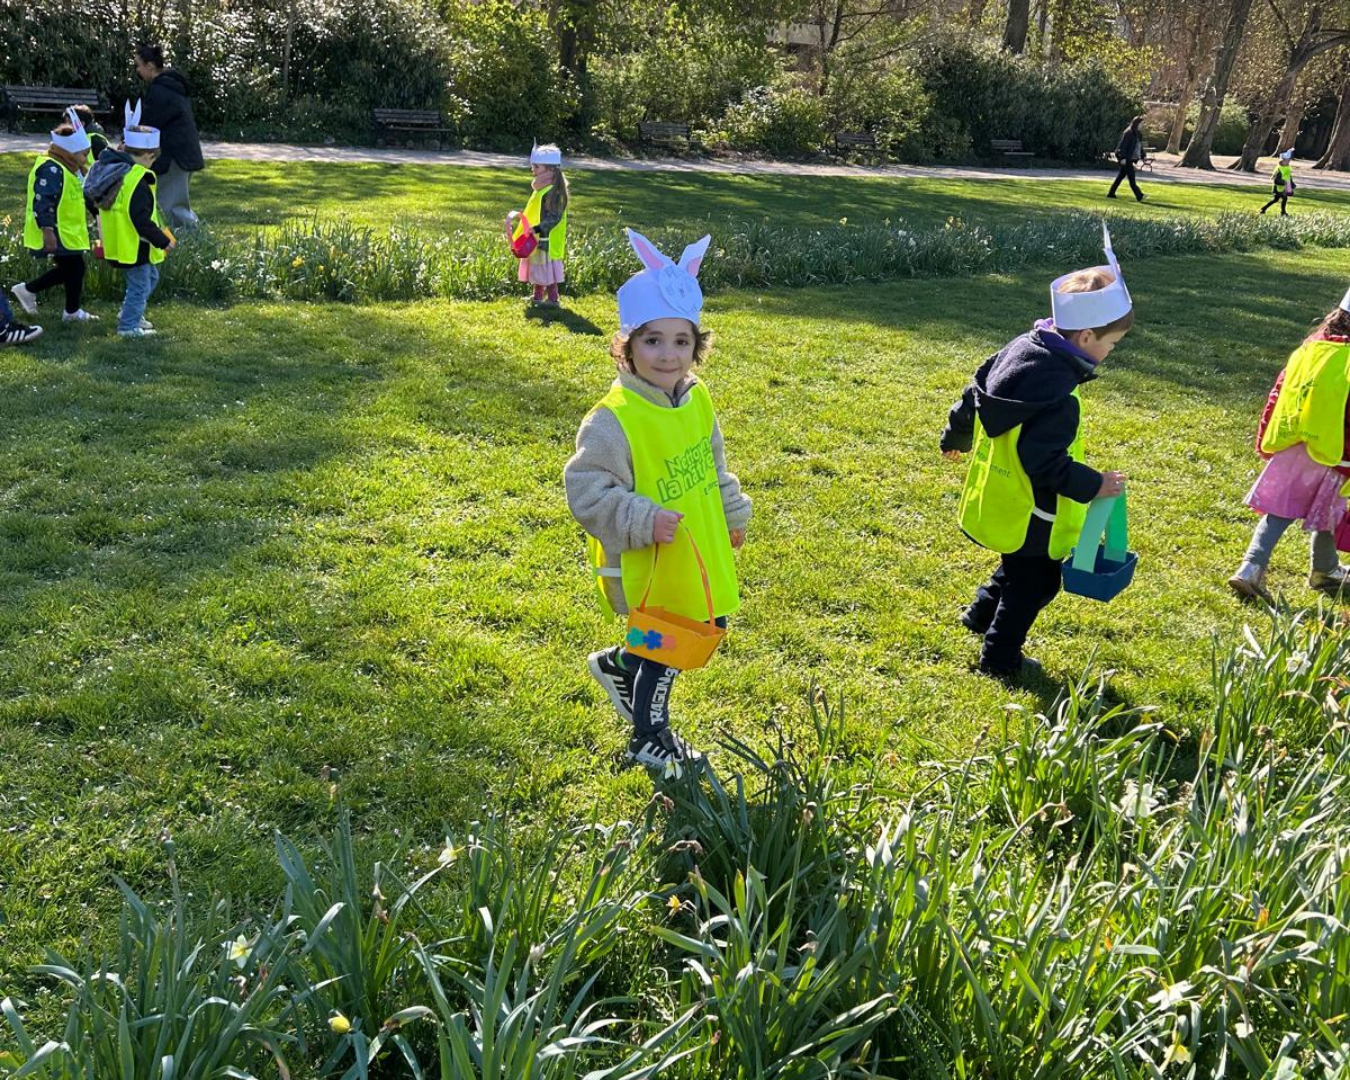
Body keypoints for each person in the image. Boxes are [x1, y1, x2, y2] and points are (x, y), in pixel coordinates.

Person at [565, 229, 751, 775]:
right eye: (652, 341)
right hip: (648, 561)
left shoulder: (696, 399)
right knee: (667, 647)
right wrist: (642, 518)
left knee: (695, 632)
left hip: (697, 552)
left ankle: (620, 664)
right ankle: (649, 736)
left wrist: (731, 512)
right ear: (626, 345)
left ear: (697, 346)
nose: (668, 355)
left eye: (681, 341)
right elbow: (587, 490)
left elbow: (711, 462)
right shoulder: (613, 419)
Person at [940, 225, 1132, 681]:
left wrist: (957, 435)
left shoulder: (1022, 350)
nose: (1110, 352)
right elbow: (1043, 462)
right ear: (1085, 337)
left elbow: (974, 391)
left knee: (1017, 566)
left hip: (1003, 496)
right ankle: (999, 657)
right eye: (1110, 344)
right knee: (1036, 583)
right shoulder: (1059, 399)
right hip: (1035, 510)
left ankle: (979, 615)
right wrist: (1094, 484)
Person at [1227, 293, 1350, 601]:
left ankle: (1259, 568)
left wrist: (1265, 436)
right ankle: (1313, 571)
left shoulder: (1311, 348)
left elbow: (1280, 391)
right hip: (1335, 452)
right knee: (1329, 512)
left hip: (1294, 445)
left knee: (1282, 512)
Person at [85, 102, 175, 338]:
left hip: (120, 239)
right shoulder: (138, 179)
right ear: (146, 155)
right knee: (140, 285)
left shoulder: (115, 169)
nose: (153, 163)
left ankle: (131, 313)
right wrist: (162, 240)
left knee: (149, 278)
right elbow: (141, 220)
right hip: (133, 242)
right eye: (153, 158)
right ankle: (128, 326)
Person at [11, 109, 97, 324]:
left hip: (65, 231)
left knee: (72, 268)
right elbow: (44, 201)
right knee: (74, 268)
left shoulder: (68, 167)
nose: (85, 158)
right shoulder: (51, 169)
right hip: (55, 230)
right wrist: (47, 230)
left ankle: (60, 305)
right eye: (83, 154)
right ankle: (63, 307)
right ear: (68, 152)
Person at [134, 43, 203, 230]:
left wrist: (130, 140)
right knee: (174, 202)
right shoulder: (171, 86)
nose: (137, 70)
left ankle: (194, 242)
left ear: (150, 66)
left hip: (174, 155)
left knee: (173, 207)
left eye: (138, 65)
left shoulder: (161, 90)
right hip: (182, 152)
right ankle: (185, 240)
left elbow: (150, 123)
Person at [515, 144, 568, 307]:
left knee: (548, 270)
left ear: (550, 170)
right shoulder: (541, 189)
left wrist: (537, 228)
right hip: (538, 237)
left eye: (536, 167)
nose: (533, 170)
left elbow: (554, 218)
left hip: (547, 239)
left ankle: (553, 299)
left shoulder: (554, 192)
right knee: (539, 268)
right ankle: (537, 297)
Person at [1107, 116, 1148, 203]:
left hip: (1130, 159)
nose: (1143, 125)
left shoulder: (1137, 134)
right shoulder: (1128, 133)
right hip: (1126, 159)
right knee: (1132, 179)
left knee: (1120, 177)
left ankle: (1111, 193)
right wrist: (1122, 158)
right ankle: (1139, 195)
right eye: (1141, 123)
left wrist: (1143, 155)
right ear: (1137, 123)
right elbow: (1122, 146)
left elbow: (1138, 146)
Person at [1260, 149, 1296, 216]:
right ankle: (1283, 212)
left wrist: (1292, 185)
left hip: (1284, 187)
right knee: (1284, 198)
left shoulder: (1287, 168)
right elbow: (1276, 180)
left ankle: (1264, 208)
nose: (1288, 162)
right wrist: (1283, 182)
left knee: (1275, 200)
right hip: (1278, 188)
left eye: (1289, 161)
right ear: (1282, 161)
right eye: (1287, 161)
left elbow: (1288, 177)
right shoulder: (1279, 170)